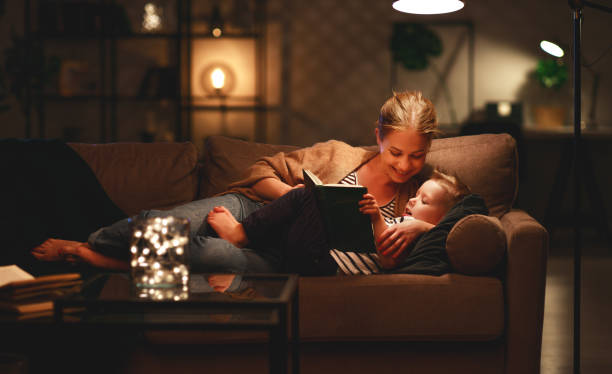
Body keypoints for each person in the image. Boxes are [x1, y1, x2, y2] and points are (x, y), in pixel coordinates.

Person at [31, 90, 441, 274]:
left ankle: (109, 261)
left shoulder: (421, 194)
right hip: (255, 212)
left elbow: (468, 211)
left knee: (211, 258)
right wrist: (293, 194)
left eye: (417, 155)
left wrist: (423, 225)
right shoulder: (338, 155)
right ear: (378, 137)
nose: (405, 166)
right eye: (396, 153)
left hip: (283, 255)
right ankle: (95, 244)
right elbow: (258, 171)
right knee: (169, 226)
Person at [206, 169, 471, 275]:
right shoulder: (410, 224)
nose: (413, 201)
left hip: (322, 266)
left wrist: (378, 217)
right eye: (415, 195)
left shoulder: (415, 232)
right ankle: (251, 235)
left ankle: (241, 234)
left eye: (424, 201)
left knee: (304, 196)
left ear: (442, 218)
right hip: (319, 255)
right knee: (310, 199)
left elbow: (389, 258)